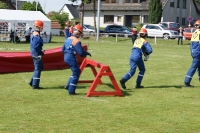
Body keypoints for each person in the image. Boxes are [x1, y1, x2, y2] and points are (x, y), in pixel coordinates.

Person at [62, 24, 92, 95]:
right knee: (77, 73)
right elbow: (81, 53)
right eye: (81, 34)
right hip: (71, 58)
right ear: (79, 33)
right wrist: (86, 53)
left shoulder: (68, 39)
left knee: (75, 71)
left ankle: (68, 85)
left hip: (66, 57)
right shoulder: (76, 41)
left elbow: (62, 49)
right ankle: (71, 91)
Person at [28, 20, 45, 89]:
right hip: (36, 53)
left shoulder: (34, 34)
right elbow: (36, 46)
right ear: (39, 27)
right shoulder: (36, 35)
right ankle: (35, 85)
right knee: (38, 68)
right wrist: (40, 52)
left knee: (39, 67)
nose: (42, 28)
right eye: (42, 27)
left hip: (34, 52)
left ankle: (32, 81)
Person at [184, 20, 200, 87]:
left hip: (194, 52)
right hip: (198, 52)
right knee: (193, 67)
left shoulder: (195, 32)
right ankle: (187, 82)